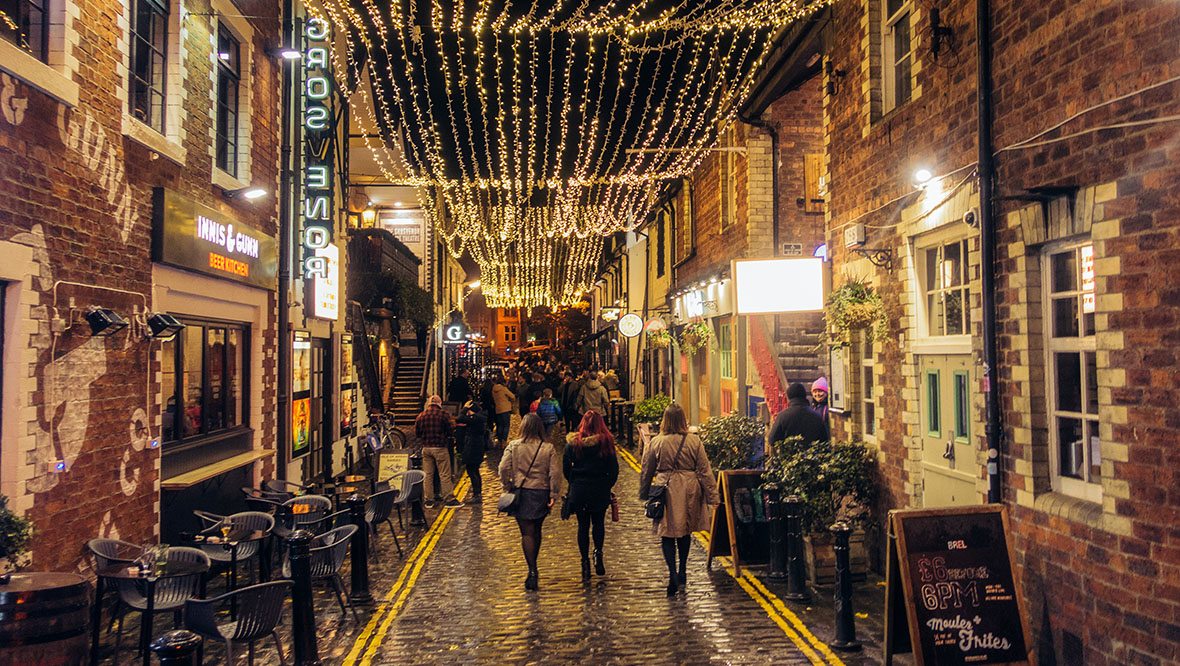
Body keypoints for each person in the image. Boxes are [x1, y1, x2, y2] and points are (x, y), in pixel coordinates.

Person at [640, 403, 719, 596]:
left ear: (665, 420)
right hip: (689, 489)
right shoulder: (694, 441)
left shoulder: (657, 442)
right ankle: (683, 570)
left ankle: (672, 573)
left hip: (665, 488)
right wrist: (713, 496)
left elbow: (646, 470)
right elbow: (705, 470)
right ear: (683, 420)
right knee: (685, 532)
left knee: (666, 533)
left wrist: (644, 493)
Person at [499, 414, 563, 590]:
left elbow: (503, 467)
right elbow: (555, 473)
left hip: (521, 492)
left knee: (526, 533)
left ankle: (532, 570)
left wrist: (507, 485)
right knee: (537, 530)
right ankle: (534, 566)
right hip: (540, 492)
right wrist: (553, 493)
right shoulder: (547, 447)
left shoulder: (514, 446)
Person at [564, 411, 619, 580]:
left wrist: (574, 483)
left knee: (582, 526)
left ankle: (585, 562)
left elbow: (566, 469)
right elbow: (613, 470)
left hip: (579, 489)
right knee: (598, 524)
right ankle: (598, 554)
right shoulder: (606, 442)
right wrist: (606, 484)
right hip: (599, 488)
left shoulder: (572, 444)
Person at [414, 395, 461, 508]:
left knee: (428, 475)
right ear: (439, 403)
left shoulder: (421, 415)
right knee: (444, 474)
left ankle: (428, 500)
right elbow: (450, 430)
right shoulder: (443, 415)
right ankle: (449, 498)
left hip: (426, 448)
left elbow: (417, 433)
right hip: (440, 447)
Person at [766, 382, 830, 449]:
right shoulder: (817, 416)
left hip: (788, 456)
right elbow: (824, 440)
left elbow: (772, 441)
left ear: (789, 396)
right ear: (804, 395)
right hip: (812, 456)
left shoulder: (782, 416)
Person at [456, 400, 489, 503]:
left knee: (472, 470)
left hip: (473, 447)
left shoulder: (475, 418)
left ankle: (477, 494)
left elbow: (459, 419)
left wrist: (465, 408)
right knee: (475, 470)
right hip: (477, 446)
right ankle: (477, 493)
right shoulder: (479, 417)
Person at [490, 377, 516, 447]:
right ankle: (504, 441)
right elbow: (512, 396)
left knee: (500, 425)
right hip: (505, 409)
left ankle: (500, 440)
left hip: (498, 409)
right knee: (506, 425)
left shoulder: (493, 388)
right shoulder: (503, 388)